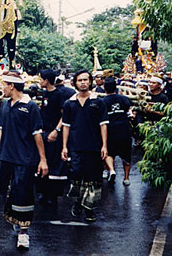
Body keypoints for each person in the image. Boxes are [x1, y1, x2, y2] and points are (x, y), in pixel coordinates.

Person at [0, 70, 48, 250]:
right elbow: (1, 131)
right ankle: (17, 220)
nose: (3, 88)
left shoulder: (30, 106)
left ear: (11, 86)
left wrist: (43, 160)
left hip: (25, 159)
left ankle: (24, 232)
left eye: (4, 84)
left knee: (23, 194)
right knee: (6, 190)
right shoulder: (5, 105)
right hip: (7, 157)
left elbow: (37, 134)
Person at [61, 69, 108, 222]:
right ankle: (78, 202)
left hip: (94, 147)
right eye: (80, 80)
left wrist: (104, 146)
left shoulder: (98, 102)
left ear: (90, 82)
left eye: (85, 80)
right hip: (75, 146)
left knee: (93, 178)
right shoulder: (69, 103)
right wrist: (64, 146)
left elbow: (103, 125)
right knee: (76, 176)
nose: (83, 82)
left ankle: (89, 209)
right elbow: (66, 126)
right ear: (75, 82)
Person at [37, 69, 68, 205]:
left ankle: (53, 195)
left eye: (41, 79)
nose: (39, 82)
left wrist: (56, 130)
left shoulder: (59, 94)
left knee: (55, 164)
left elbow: (64, 115)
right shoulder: (44, 94)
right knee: (44, 162)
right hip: (44, 132)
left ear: (47, 80)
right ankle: (44, 192)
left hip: (54, 133)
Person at [102, 78, 133, 186]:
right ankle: (126, 178)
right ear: (116, 87)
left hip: (110, 131)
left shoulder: (102, 101)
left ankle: (111, 170)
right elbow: (129, 109)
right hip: (124, 130)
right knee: (126, 156)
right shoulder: (124, 99)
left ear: (104, 88)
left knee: (109, 153)